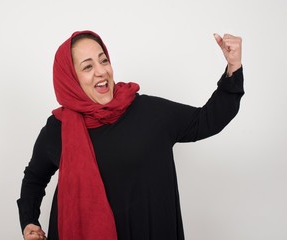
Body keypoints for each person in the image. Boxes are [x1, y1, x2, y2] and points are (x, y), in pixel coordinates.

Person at [17, 30, 244, 240]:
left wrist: (233, 67)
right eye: (87, 67)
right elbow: (34, 178)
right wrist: (29, 222)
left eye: (103, 60)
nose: (101, 71)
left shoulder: (150, 112)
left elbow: (206, 120)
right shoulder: (59, 128)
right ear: (70, 79)